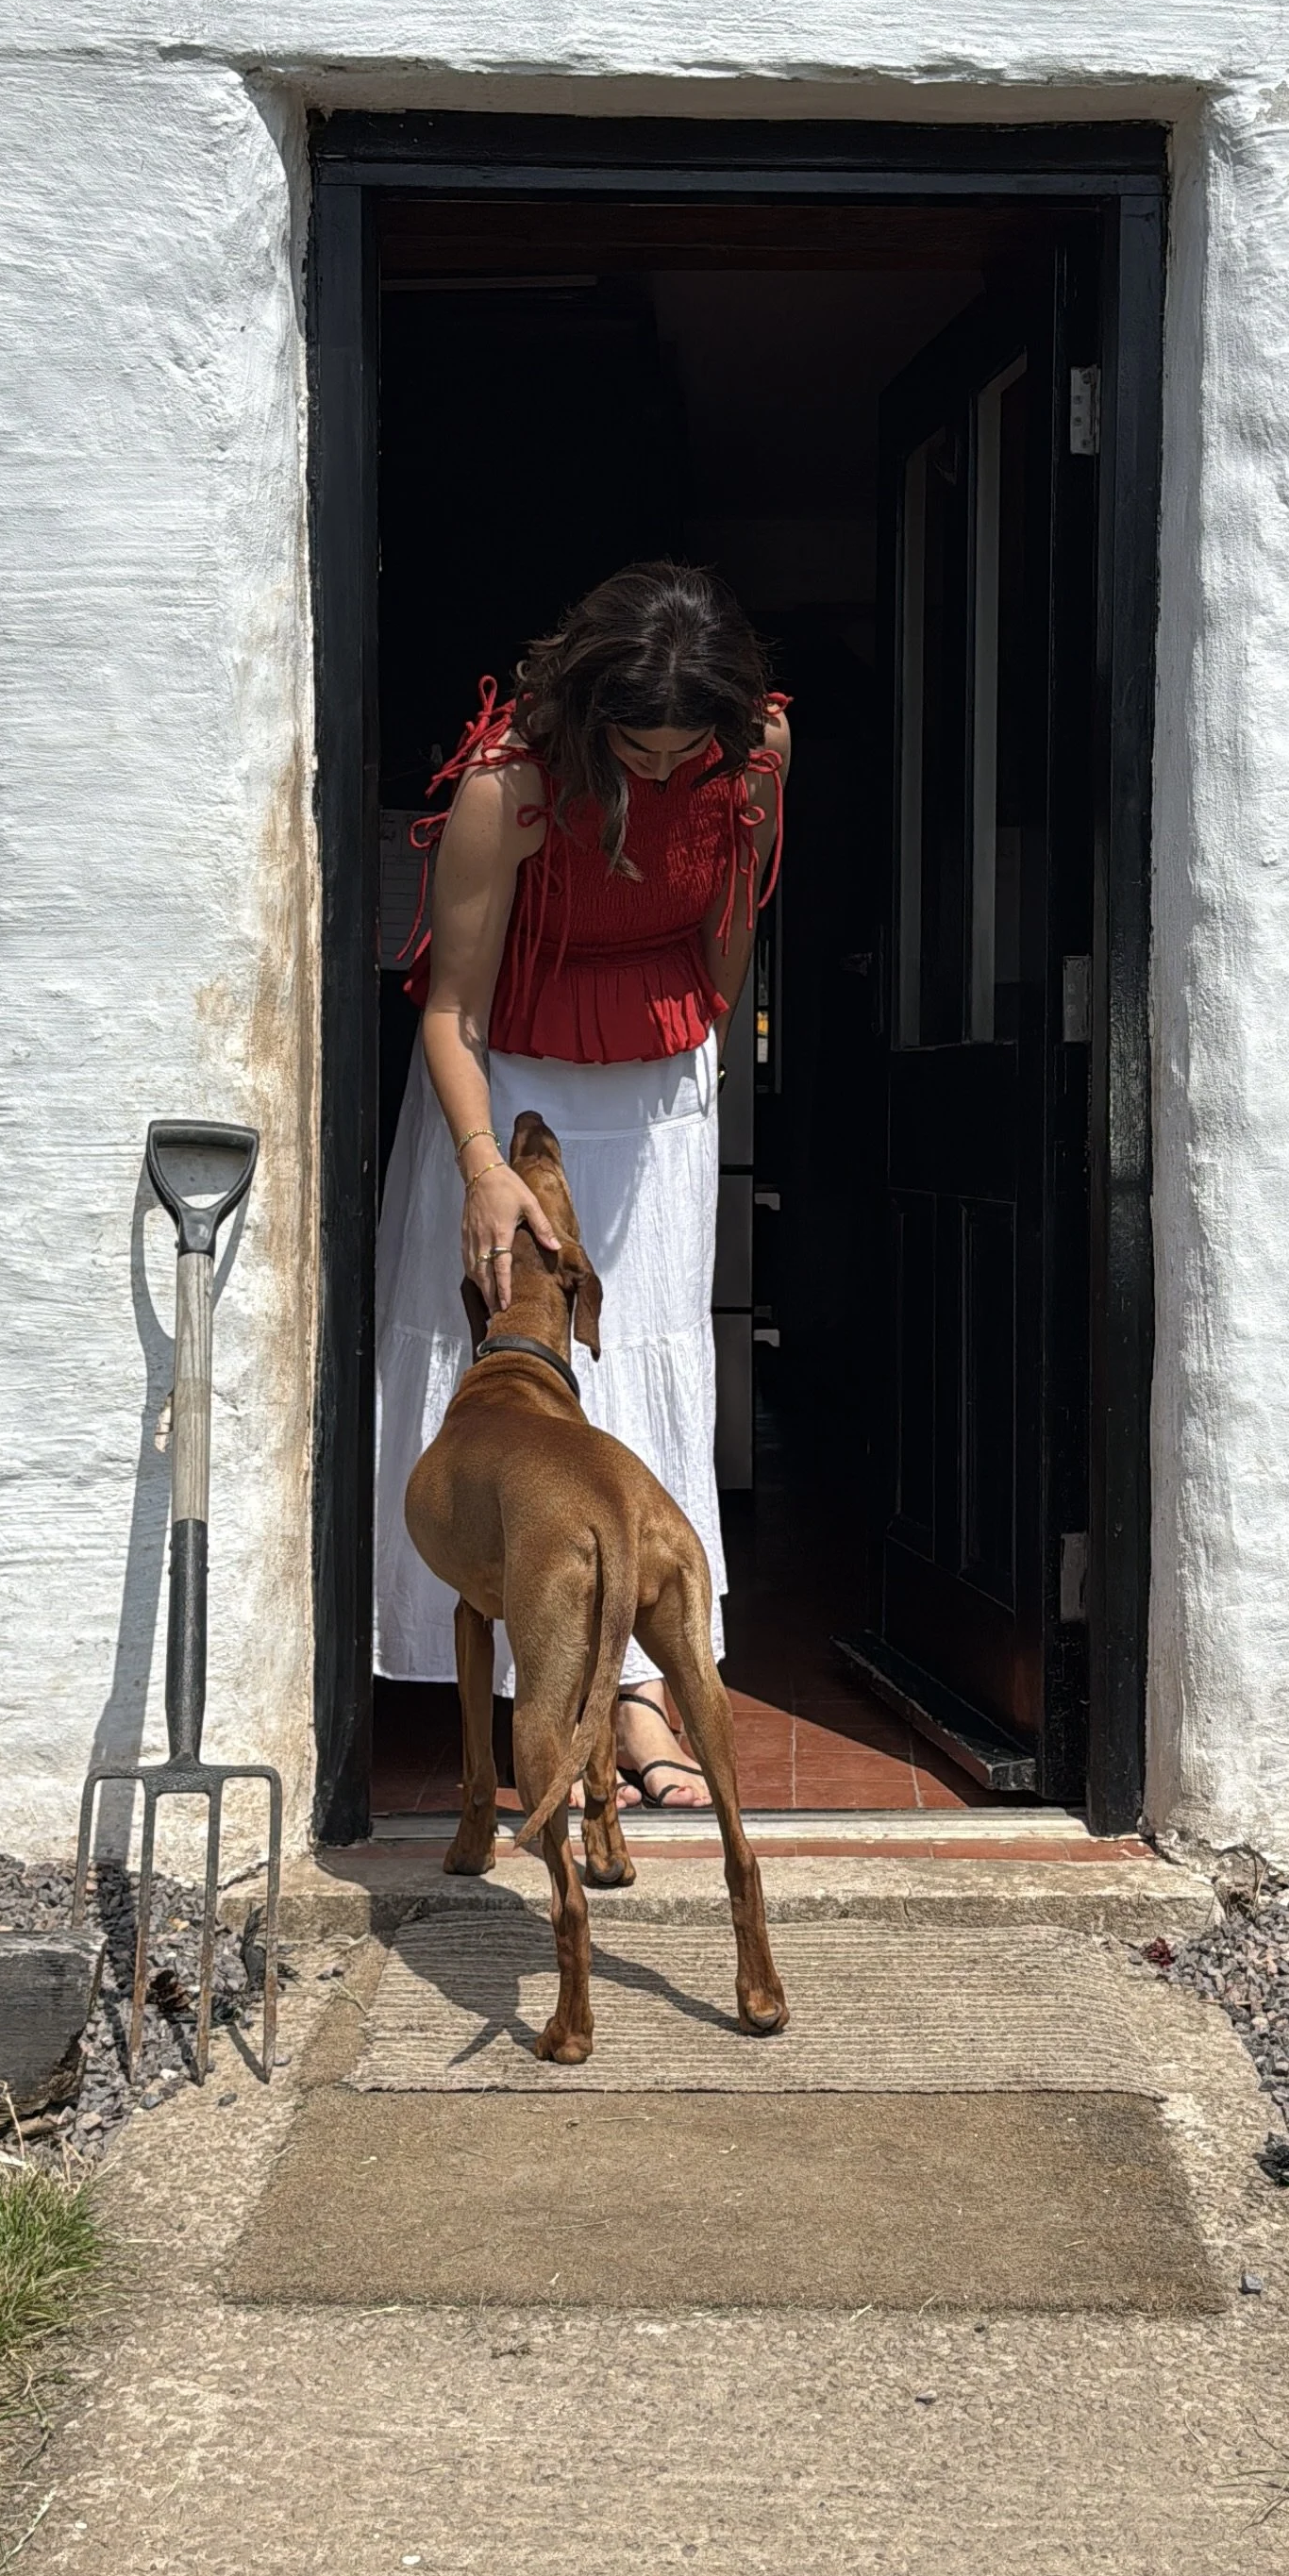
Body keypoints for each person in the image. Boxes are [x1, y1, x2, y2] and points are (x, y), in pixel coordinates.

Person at [373, 563, 789, 1812]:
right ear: (585, 712)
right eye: (634, 750)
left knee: (640, 1359)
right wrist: (483, 1166)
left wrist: (700, 1046)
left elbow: (733, 919)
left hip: (656, 1084)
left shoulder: (758, 748)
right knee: (505, 1382)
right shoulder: (507, 785)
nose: (660, 776)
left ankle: (638, 1693)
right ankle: (514, 1684)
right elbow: (448, 1005)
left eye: (683, 755)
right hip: (501, 1083)